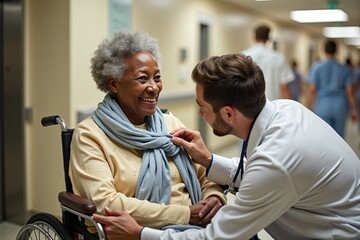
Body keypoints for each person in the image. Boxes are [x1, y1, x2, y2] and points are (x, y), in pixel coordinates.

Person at [93, 53, 360, 240]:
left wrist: (140, 234)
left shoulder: (277, 159)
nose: (200, 115)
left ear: (229, 114)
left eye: (203, 108)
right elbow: (256, 173)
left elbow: (218, 236)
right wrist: (208, 160)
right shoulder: (285, 110)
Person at [69, 31, 226, 233]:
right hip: (138, 232)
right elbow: (107, 203)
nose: (154, 88)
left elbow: (205, 175)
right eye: (143, 79)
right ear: (114, 84)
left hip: (197, 225)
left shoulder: (170, 123)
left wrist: (214, 197)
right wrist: (186, 214)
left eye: (157, 78)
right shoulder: (90, 135)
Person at [307, 40, 358, 138]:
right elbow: (350, 92)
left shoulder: (317, 67)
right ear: (336, 51)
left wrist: (308, 108)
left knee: (324, 137)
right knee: (339, 139)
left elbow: (312, 90)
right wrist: (354, 110)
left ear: (323, 50)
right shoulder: (345, 69)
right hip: (340, 107)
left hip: (322, 106)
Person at [242, 24, 294, 100]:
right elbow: (284, 87)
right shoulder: (278, 58)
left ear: (253, 37)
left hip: (248, 103)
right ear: (269, 38)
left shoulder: (243, 55)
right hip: (272, 103)